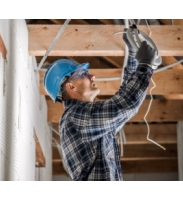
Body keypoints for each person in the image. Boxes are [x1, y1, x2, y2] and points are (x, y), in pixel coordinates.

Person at [43, 30, 157, 181]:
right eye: (83, 74)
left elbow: (123, 97)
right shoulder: (75, 118)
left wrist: (133, 55)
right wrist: (145, 65)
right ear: (71, 87)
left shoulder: (85, 120)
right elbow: (125, 105)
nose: (92, 76)